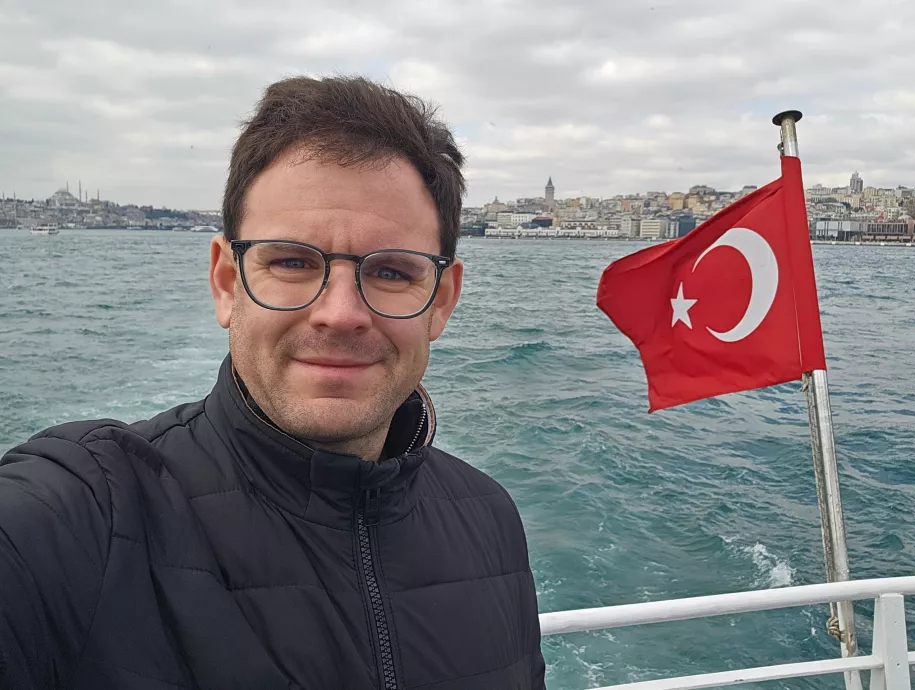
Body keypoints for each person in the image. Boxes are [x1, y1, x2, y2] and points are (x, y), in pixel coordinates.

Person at [0, 76, 546, 689]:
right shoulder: (84, 513)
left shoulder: (491, 520)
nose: (340, 314)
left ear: (440, 300)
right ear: (227, 284)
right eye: (291, 261)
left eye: (393, 272)